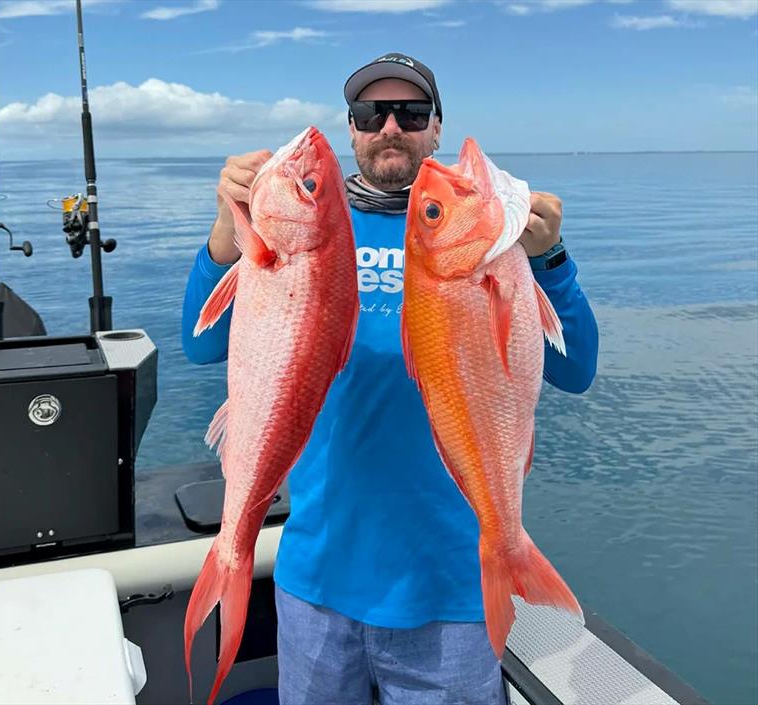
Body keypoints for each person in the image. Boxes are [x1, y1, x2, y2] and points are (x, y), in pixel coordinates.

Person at [182, 52, 599, 705]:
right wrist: (225, 234)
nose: (390, 127)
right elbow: (200, 347)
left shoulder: (488, 233)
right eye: (371, 113)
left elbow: (576, 370)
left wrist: (551, 259)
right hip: (317, 581)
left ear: (436, 127)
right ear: (352, 129)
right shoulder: (315, 220)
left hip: (452, 588)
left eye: (410, 112)